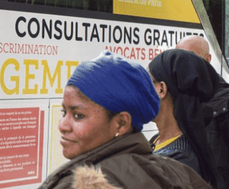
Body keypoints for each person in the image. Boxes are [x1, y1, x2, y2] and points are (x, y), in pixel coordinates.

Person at [39, 51, 211, 189]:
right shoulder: (177, 173)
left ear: (121, 123)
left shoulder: (82, 183)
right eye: (64, 112)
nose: (62, 125)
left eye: (78, 116)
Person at [148, 49, 221, 188]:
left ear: (161, 89)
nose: (141, 93)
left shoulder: (179, 158)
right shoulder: (157, 140)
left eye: (147, 84)